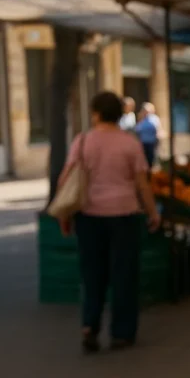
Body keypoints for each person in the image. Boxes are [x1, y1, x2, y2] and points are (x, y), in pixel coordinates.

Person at [58, 91, 159, 352]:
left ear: (96, 113)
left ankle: (90, 325)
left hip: (89, 216)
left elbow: (65, 180)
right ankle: (122, 333)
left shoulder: (82, 142)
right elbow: (142, 184)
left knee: (92, 273)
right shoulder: (129, 143)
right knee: (124, 273)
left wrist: (64, 215)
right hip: (124, 215)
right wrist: (152, 213)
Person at [134, 102, 161, 167]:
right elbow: (137, 129)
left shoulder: (155, 119)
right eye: (145, 110)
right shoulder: (141, 118)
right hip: (143, 142)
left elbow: (157, 129)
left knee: (151, 160)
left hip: (152, 142)